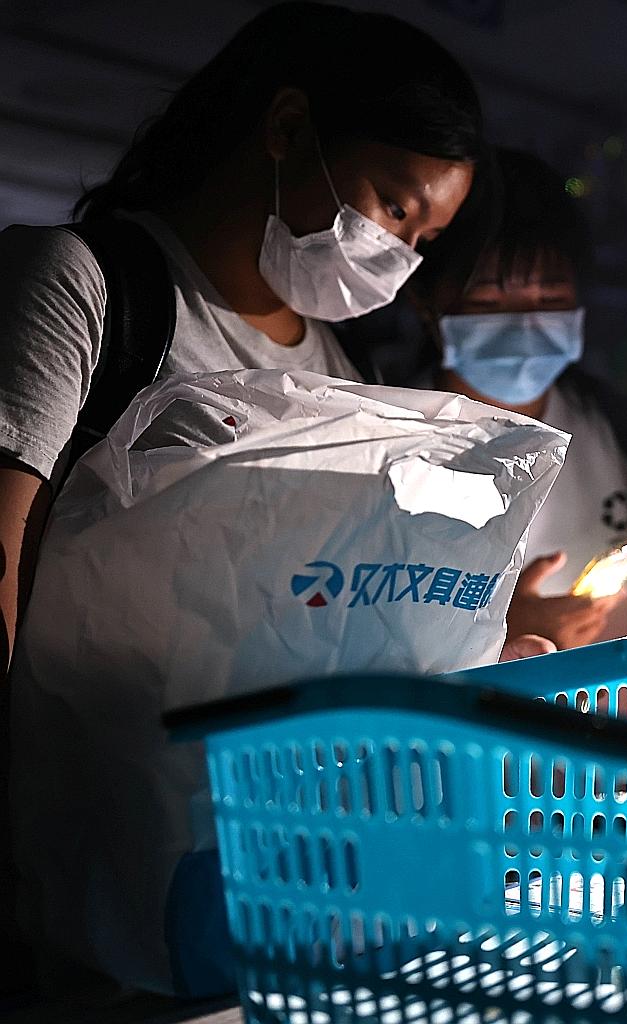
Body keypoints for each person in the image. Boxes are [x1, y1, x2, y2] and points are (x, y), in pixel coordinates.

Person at [0, 1, 546, 998]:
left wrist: (462, 651)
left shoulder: (340, 364)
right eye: (392, 205)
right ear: (289, 128)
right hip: (78, 883)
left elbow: (329, 610)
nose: (396, 256)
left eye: (421, 239)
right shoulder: (89, 290)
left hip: (269, 881)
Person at [411, 148, 627, 651]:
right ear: (425, 303)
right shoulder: (383, 445)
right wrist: (495, 633)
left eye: (549, 298)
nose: (524, 323)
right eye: (487, 302)